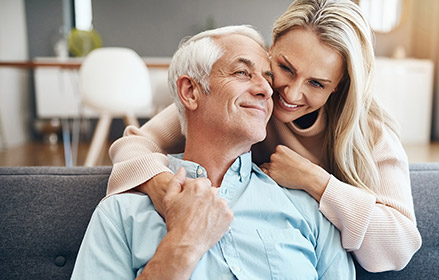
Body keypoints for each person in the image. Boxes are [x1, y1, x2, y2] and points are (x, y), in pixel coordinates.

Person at [107, 0, 421, 272]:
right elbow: (135, 144)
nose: (291, 93)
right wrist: (159, 184)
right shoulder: (245, 104)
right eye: (285, 67)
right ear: (271, 49)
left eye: (317, 84)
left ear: (338, 86)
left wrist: (314, 180)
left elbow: (399, 245)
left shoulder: (369, 131)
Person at [71, 25, 354, 279]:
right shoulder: (121, 215)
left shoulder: (307, 209)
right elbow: (134, 143)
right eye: (242, 72)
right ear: (191, 92)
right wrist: (183, 243)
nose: (267, 90)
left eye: (268, 78)